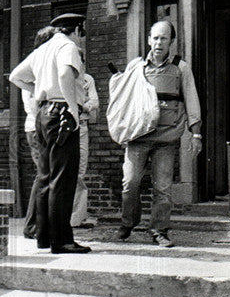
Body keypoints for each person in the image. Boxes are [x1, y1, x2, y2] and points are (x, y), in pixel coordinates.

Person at [9, 13, 90, 254]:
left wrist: (38, 91)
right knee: (63, 179)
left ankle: (43, 236)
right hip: (62, 113)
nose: (81, 38)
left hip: (43, 114)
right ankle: (62, 240)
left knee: (45, 176)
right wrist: (72, 108)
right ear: (76, 29)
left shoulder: (43, 49)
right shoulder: (67, 46)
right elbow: (66, 74)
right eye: (81, 32)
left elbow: (15, 76)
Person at [117, 20, 202, 248]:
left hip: (166, 138)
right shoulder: (136, 67)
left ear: (171, 42)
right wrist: (120, 128)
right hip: (138, 137)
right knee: (130, 182)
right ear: (148, 40)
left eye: (164, 38)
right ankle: (128, 222)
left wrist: (196, 134)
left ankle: (159, 230)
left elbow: (192, 99)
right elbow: (122, 99)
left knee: (162, 188)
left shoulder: (180, 68)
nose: (158, 43)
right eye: (155, 38)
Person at [9, 26, 58, 240]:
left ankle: (38, 224)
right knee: (43, 175)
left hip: (40, 128)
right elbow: (33, 106)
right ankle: (31, 225)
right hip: (36, 129)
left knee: (45, 175)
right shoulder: (35, 69)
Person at [71, 59, 99, 228]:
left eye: (81, 61)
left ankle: (77, 218)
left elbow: (94, 102)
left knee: (80, 170)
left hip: (81, 126)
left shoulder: (87, 80)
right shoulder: (64, 78)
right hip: (65, 126)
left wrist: (82, 106)